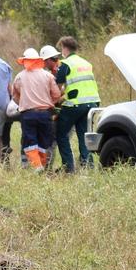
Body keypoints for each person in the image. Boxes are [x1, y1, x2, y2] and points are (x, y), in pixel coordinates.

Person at [53, 36, 101, 172]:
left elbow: (57, 88)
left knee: (61, 134)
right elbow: (79, 85)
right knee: (83, 134)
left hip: (75, 104)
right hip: (92, 103)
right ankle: (88, 166)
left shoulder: (65, 64)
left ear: (64, 48)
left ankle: (68, 167)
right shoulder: (86, 63)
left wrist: (57, 101)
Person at [10, 48, 61, 172]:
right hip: (45, 114)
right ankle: (41, 165)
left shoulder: (19, 77)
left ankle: (37, 165)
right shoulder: (48, 76)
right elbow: (56, 95)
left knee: (30, 139)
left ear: (25, 61)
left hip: (27, 114)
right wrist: (48, 102)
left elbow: (15, 97)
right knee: (44, 140)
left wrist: (25, 102)